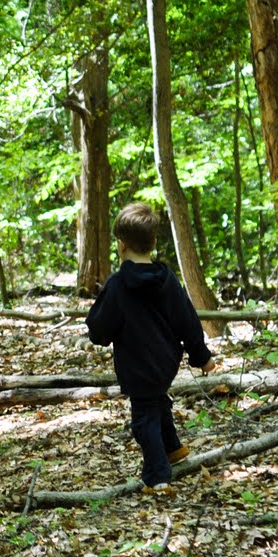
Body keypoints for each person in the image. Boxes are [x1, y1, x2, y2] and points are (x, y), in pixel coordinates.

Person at [85, 202, 215, 494]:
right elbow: (188, 320)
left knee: (143, 420)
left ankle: (158, 476)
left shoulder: (118, 285)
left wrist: (97, 328)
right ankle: (173, 449)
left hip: (136, 366)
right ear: (153, 242)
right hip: (166, 363)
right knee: (157, 400)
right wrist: (202, 357)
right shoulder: (167, 279)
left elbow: (99, 329)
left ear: (121, 245)